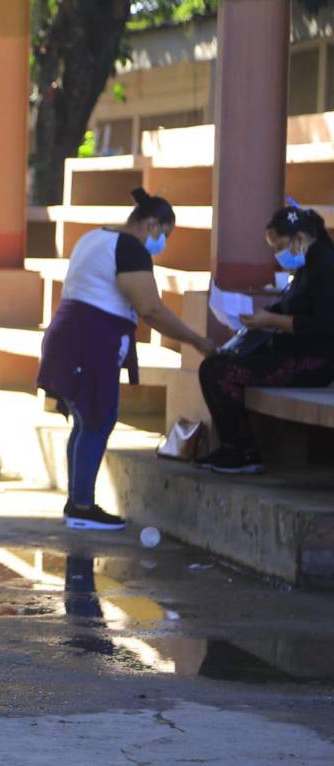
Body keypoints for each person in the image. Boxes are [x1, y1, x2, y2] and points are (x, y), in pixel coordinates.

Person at [38, 188, 216, 529]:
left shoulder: (94, 237)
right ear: (151, 224)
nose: (162, 241)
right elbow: (151, 309)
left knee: (86, 420)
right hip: (90, 341)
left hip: (69, 335)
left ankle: (77, 503)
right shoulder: (130, 249)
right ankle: (81, 507)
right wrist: (195, 339)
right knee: (98, 419)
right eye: (164, 234)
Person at [195, 205, 334, 474]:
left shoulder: (326, 267)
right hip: (291, 352)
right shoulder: (307, 267)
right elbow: (288, 306)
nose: (277, 255)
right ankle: (231, 447)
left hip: (314, 361)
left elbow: (324, 325)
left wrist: (271, 322)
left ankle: (246, 452)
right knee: (212, 366)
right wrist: (254, 317)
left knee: (224, 373)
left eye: (279, 246)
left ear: (301, 239)